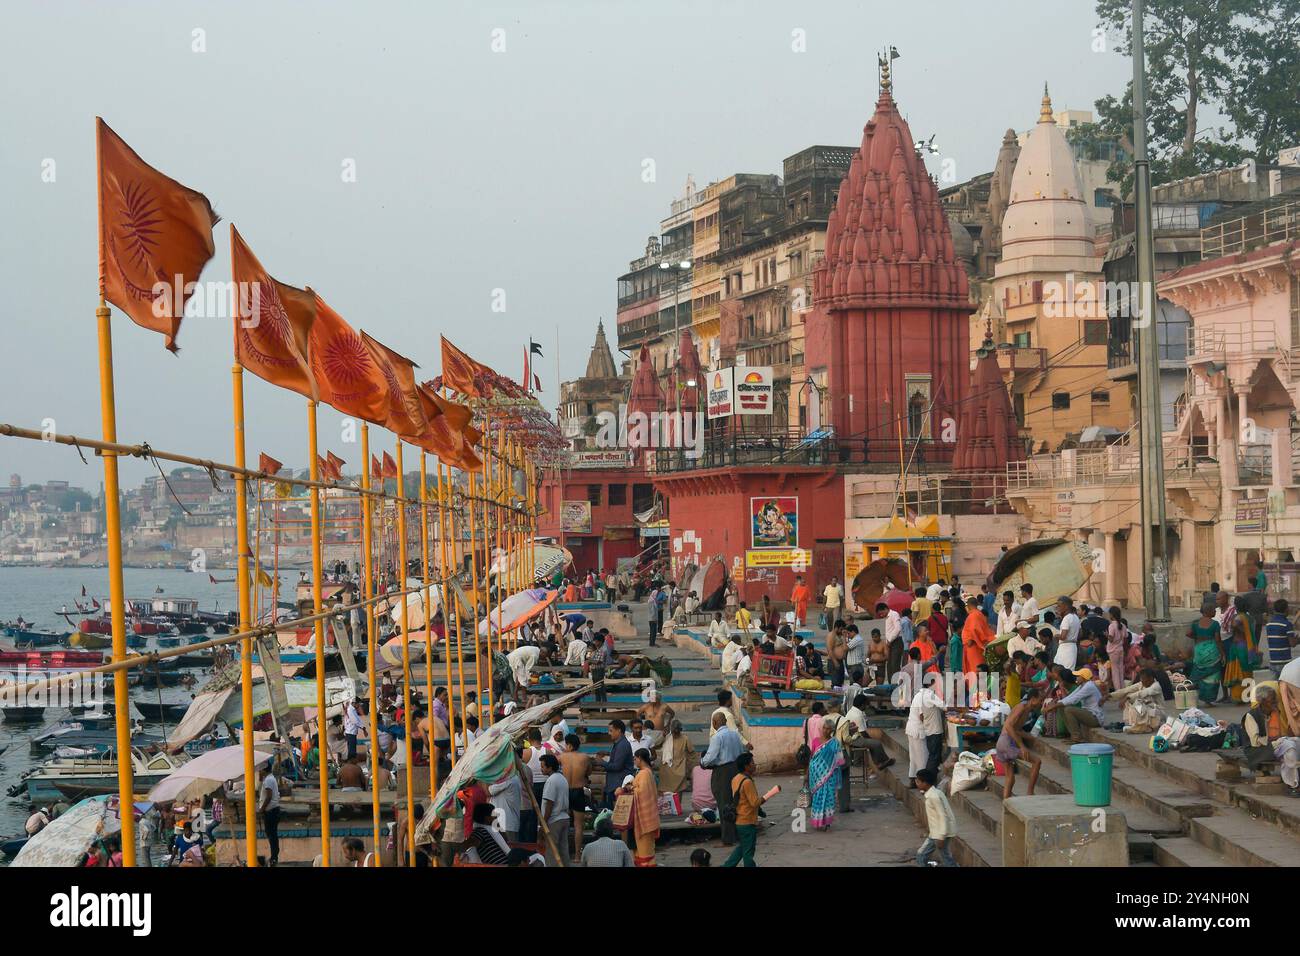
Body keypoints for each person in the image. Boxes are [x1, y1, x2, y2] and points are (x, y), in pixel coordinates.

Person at [722, 752, 769, 867]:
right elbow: (754, 803)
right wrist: (767, 796)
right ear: (746, 766)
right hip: (747, 821)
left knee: (743, 847)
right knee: (748, 851)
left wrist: (761, 812)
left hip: (739, 820)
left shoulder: (736, 779)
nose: (755, 765)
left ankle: (727, 866)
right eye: (752, 763)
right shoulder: (747, 782)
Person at [998, 686, 1042, 798]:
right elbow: (1008, 726)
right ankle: (1030, 793)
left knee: (1010, 777)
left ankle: (1006, 803)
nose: (1040, 703)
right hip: (1007, 742)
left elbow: (1017, 730)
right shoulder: (1022, 707)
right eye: (1040, 700)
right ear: (1033, 699)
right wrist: (1022, 746)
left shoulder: (1027, 710)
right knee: (1037, 761)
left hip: (1002, 743)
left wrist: (1031, 738)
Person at [1044, 668, 1106, 742]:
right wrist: (1056, 704)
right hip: (1088, 714)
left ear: (1083, 678)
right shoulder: (1082, 686)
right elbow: (1071, 697)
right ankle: (1073, 735)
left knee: (1068, 709)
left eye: (1078, 676)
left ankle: (1077, 737)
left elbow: (1073, 699)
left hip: (1095, 718)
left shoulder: (1089, 686)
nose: (1076, 678)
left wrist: (1054, 706)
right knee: (1062, 707)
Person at [905, 679, 946, 785]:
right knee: (922, 758)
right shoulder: (929, 695)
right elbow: (922, 716)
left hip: (911, 728)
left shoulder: (919, 694)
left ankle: (914, 780)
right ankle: (924, 783)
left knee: (914, 758)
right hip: (919, 730)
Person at [915, 768, 958, 866]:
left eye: (918, 781)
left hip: (941, 834)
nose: (916, 783)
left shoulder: (933, 796)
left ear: (925, 783)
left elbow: (942, 816)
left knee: (922, 856)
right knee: (945, 857)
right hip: (936, 833)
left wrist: (941, 837)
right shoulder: (935, 793)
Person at [808, 716, 843, 831]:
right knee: (817, 797)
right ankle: (818, 821)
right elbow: (812, 757)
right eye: (824, 728)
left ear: (832, 730)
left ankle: (827, 822)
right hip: (815, 774)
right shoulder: (815, 741)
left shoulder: (835, 743)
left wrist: (833, 766)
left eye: (829, 729)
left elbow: (839, 760)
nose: (826, 730)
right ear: (821, 728)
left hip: (830, 775)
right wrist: (807, 774)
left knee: (829, 797)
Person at [628, 749, 660, 866]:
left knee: (645, 853)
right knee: (643, 851)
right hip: (648, 818)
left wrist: (630, 788)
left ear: (640, 758)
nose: (635, 761)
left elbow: (642, 793)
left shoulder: (644, 773)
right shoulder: (647, 772)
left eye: (635, 759)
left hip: (644, 819)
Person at [1186, 606, 1225, 703]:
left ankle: (1192, 695)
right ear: (1207, 611)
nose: (1215, 611)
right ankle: (1208, 699)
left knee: (1198, 671)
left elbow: (1188, 633)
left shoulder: (1195, 623)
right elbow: (1217, 640)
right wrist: (1222, 654)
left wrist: (1197, 637)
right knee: (1213, 675)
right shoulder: (1215, 624)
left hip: (1199, 650)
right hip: (1212, 651)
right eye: (1213, 610)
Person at [538, 753, 571, 866]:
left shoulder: (551, 780)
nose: (541, 769)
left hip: (554, 820)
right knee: (563, 851)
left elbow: (549, 803)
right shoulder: (562, 778)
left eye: (543, 766)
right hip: (564, 818)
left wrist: (543, 823)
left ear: (550, 767)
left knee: (552, 852)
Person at [1111, 668, 1165, 733]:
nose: (1142, 682)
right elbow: (1127, 690)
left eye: (1144, 680)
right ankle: (1132, 724)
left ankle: (1142, 727)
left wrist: (1127, 698)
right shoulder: (1142, 684)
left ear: (1151, 678)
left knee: (1137, 703)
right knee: (1130, 698)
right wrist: (1110, 695)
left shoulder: (1156, 686)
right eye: (1142, 680)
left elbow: (1142, 693)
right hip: (1149, 710)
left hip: (1158, 713)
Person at [597, 719, 634, 810]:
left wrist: (601, 762)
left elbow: (617, 766)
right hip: (614, 782)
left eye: (611, 731)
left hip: (618, 784)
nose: (609, 733)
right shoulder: (619, 743)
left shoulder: (623, 745)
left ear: (619, 731)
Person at [657, 719, 695, 794]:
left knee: (678, 794)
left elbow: (692, 753)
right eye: (674, 732)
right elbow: (656, 745)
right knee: (666, 796)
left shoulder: (685, 739)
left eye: (677, 732)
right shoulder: (667, 737)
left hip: (680, 769)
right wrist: (663, 736)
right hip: (666, 768)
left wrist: (690, 768)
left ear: (680, 730)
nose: (675, 734)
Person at [1265, 599, 1298, 679]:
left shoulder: (1269, 624)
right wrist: (1297, 640)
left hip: (1273, 661)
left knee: (1275, 687)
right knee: (1285, 687)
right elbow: (1292, 644)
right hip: (1284, 661)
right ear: (1286, 609)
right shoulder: (1287, 624)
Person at [961, 597, 994, 675]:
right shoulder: (979, 614)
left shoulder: (974, 615)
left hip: (973, 646)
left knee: (974, 668)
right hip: (974, 646)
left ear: (968, 605)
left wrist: (971, 639)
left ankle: (975, 686)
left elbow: (974, 629)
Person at [259, 761, 281, 866]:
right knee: (273, 834)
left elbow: (269, 796)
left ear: (264, 769)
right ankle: (274, 856)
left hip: (270, 811)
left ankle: (274, 857)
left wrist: (262, 809)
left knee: (271, 835)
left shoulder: (268, 780)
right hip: (273, 810)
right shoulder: (270, 779)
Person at [1054, 598, 1081, 669]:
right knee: (1068, 671)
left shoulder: (1066, 618)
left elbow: (1063, 636)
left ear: (1066, 607)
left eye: (1059, 606)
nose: (1058, 608)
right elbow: (1081, 633)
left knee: (1061, 671)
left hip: (1065, 648)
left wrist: (1056, 636)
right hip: (1073, 647)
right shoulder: (1076, 617)